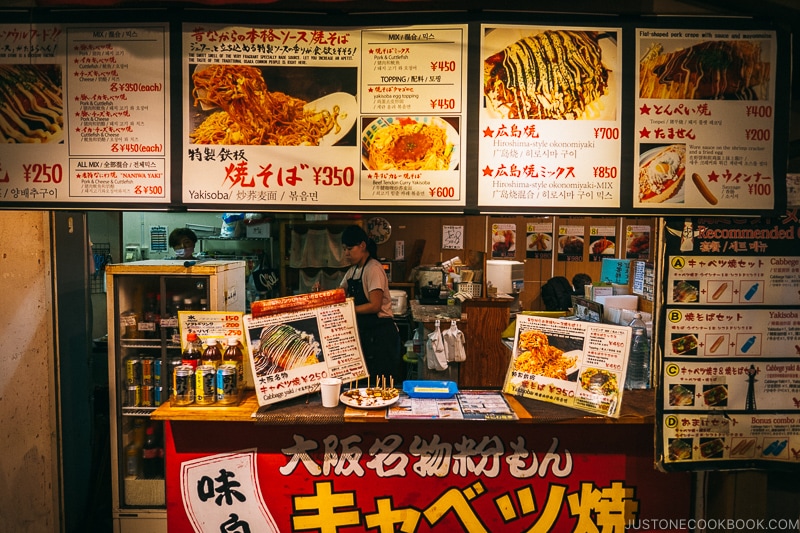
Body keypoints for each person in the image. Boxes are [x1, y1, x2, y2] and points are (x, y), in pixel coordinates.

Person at [339, 225, 402, 382]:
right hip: (366, 334)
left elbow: (375, 305)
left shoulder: (373, 268)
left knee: (381, 383)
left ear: (362, 246)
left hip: (381, 335)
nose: (346, 253)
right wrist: (323, 293)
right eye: (344, 249)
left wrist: (349, 309)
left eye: (349, 248)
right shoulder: (353, 271)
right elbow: (340, 294)